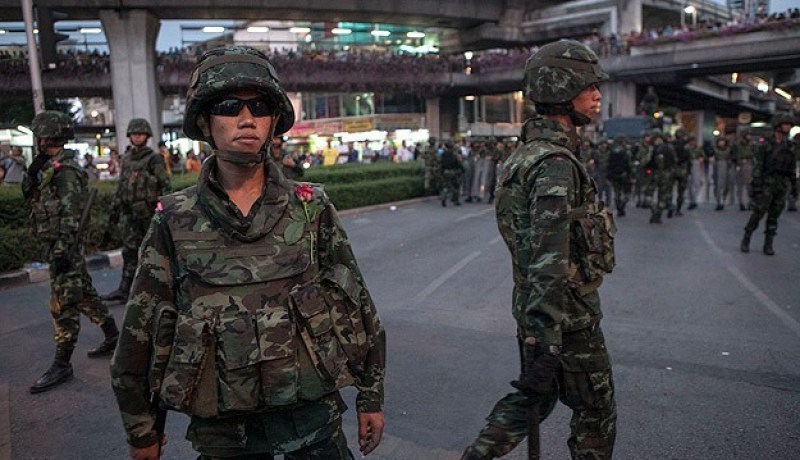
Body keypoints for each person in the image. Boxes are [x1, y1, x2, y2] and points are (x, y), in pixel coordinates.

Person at [110, 46, 385, 460]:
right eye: (228, 106)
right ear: (204, 121)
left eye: (259, 106)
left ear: (273, 120)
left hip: (313, 423)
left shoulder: (311, 207)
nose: (246, 119)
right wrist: (142, 428)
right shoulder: (174, 219)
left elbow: (357, 307)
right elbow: (141, 331)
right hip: (225, 436)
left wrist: (370, 395)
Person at [461, 39, 617, 460]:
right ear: (562, 88)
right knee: (596, 412)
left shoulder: (528, 154)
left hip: (540, 313)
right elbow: (550, 258)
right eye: (589, 86)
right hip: (566, 317)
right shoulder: (555, 164)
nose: (597, 95)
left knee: (536, 399)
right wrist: (548, 340)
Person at [22, 111, 120, 394]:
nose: (38, 141)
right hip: (57, 244)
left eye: (40, 136)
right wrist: (32, 173)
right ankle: (113, 336)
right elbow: (29, 195)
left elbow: (70, 215)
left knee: (63, 304)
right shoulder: (47, 167)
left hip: (64, 246)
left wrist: (62, 250)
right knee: (84, 294)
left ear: (48, 137)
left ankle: (62, 363)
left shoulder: (66, 172)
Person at [102, 118, 171, 303]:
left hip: (149, 215)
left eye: (140, 134)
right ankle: (125, 289)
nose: (137, 137)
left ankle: (158, 291)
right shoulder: (127, 159)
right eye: (134, 134)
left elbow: (165, 185)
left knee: (154, 252)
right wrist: (115, 209)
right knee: (129, 252)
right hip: (131, 214)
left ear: (146, 136)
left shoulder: (154, 159)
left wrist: (164, 211)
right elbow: (122, 186)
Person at [740, 114, 797, 255]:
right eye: (785, 124)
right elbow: (758, 164)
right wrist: (757, 183)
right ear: (778, 126)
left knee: (774, 215)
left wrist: (793, 184)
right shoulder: (766, 143)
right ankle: (747, 237)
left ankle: (768, 244)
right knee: (758, 212)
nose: (788, 127)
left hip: (782, 183)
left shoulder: (790, 145)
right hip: (767, 182)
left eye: (789, 125)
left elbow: (792, 166)